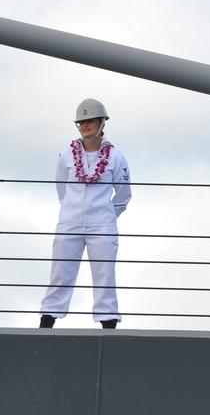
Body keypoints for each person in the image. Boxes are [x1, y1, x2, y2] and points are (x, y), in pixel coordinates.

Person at [39, 99, 132, 329]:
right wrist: (73, 212)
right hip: (69, 222)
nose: (85, 125)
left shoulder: (116, 157)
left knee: (105, 274)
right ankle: (47, 322)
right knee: (60, 272)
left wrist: (105, 216)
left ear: (102, 123)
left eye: (90, 121)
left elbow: (123, 196)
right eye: (81, 122)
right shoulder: (66, 155)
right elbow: (62, 189)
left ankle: (108, 324)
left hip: (102, 225)